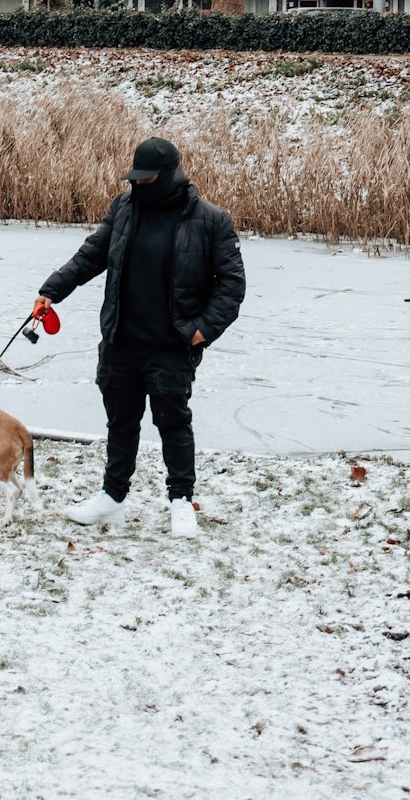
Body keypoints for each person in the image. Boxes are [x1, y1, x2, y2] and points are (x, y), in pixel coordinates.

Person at [33, 136, 245, 538]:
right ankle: (111, 500)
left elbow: (231, 286)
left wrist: (201, 331)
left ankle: (181, 502)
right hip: (121, 342)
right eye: (136, 178)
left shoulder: (210, 220)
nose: (139, 186)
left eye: (147, 179)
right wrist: (52, 290)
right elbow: (92, 255)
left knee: (173, 423)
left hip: (172, 345)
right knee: (121, 423)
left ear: (168, 176)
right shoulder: (125, 209)